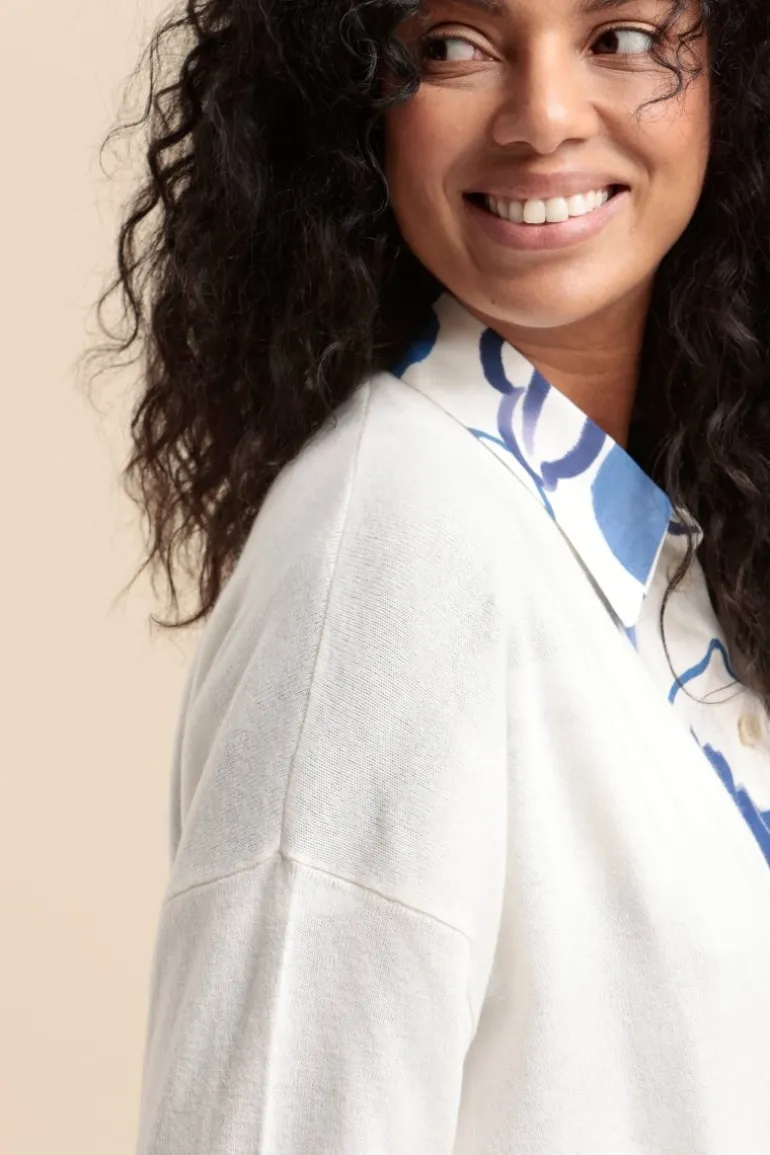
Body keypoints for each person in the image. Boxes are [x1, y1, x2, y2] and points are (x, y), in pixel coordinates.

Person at [87, 0, 770, 1151]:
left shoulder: (653, 541)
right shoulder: (392, 542)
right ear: (354, 101)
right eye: (455, 44)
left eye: (620, 38)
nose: (544, 117)